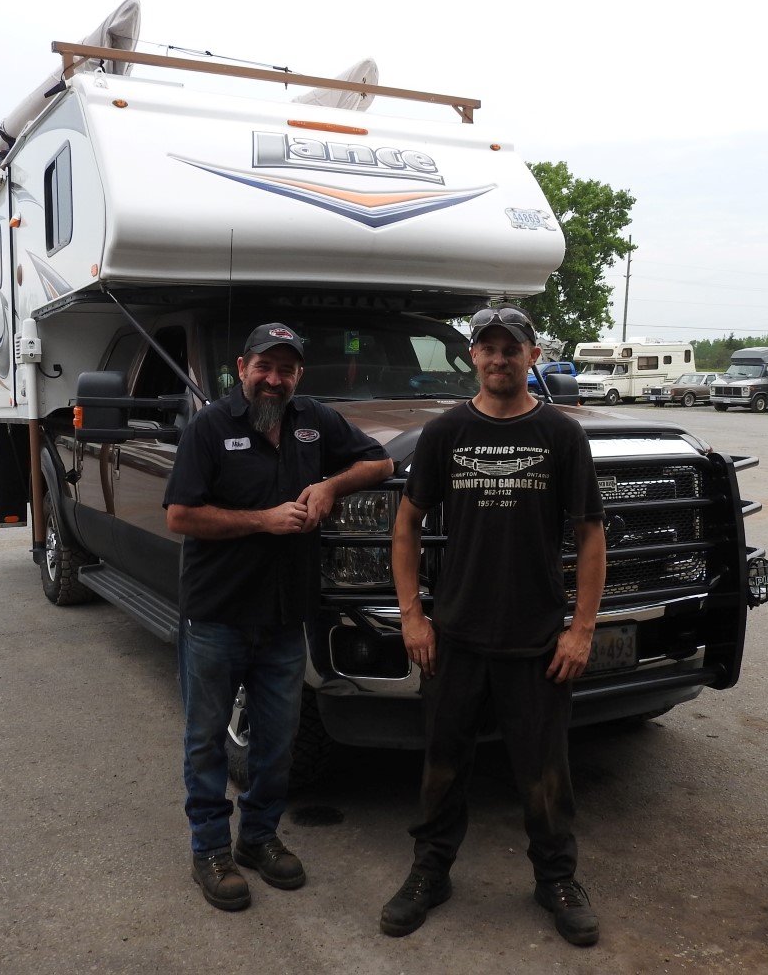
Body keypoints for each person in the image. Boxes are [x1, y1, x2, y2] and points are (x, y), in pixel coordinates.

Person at [381, 303, 607, 947]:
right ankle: (430, 872)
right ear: (473, 357)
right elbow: (407, 525)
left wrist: (581, 629)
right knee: (443, 767)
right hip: (455, 637)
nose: (500, 358)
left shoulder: (562, 435)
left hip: (538, 641)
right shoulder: (446, 432)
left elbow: (591, 535)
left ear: (533, 357)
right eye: (489, 348)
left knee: (546, 772)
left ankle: (556, 879)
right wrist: (414, 617)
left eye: (513, 348)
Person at [164, 321, 393, 912]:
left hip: (287, 619)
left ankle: (258, 839)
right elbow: (182, 516)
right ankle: (210, 848)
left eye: (286, 368)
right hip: (217, 617)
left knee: (278, 743)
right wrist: (263, 520)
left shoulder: (313, 420)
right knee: (206, 742)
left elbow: (381, 466)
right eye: (264, 366)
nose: (274, 378)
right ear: (241, 369)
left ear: (297, 376)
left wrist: (328, 486)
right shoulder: (211, 427)